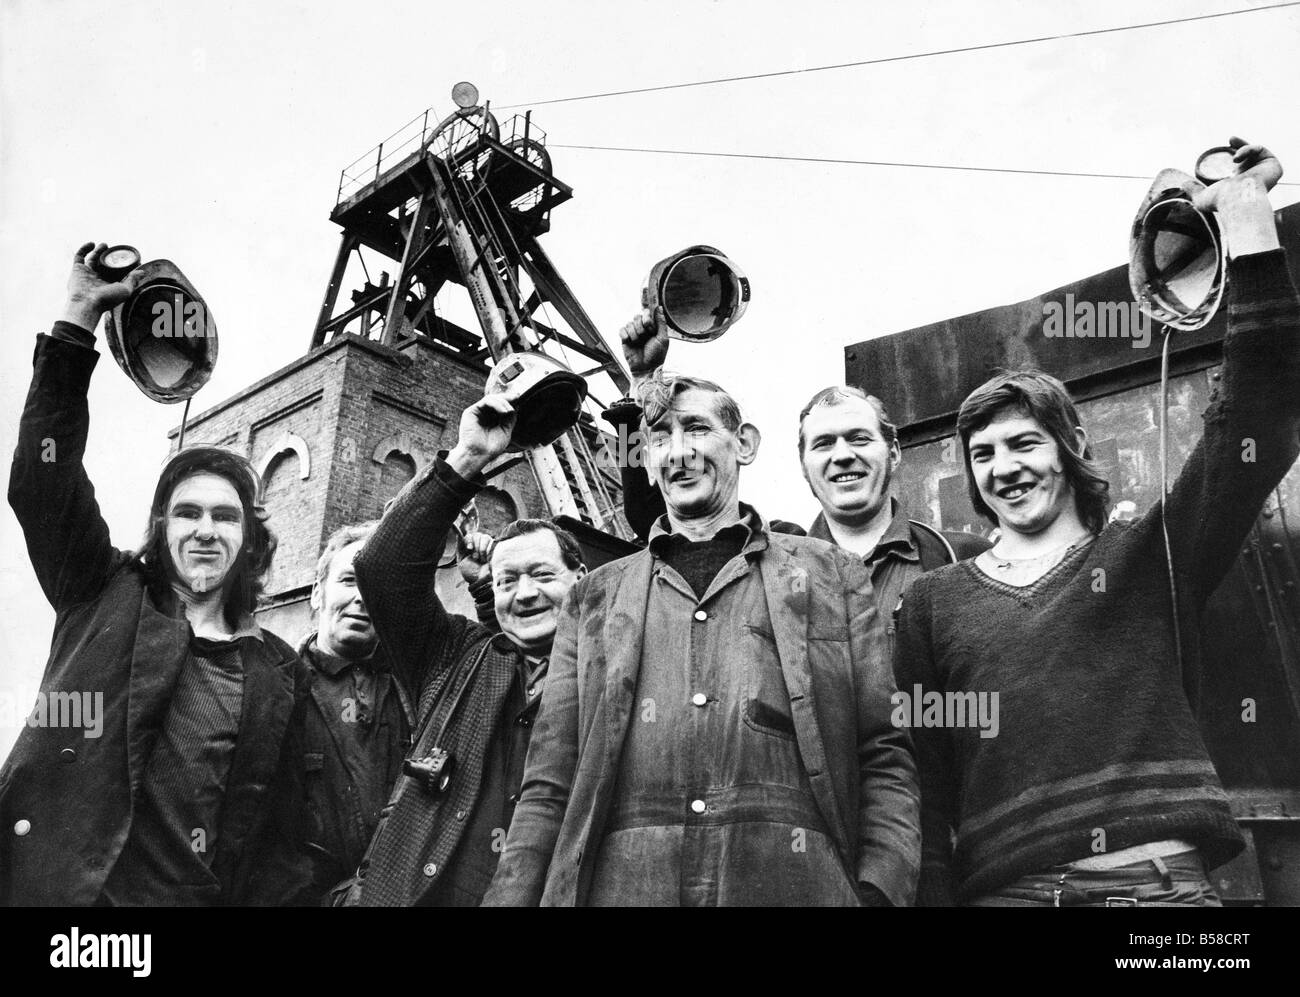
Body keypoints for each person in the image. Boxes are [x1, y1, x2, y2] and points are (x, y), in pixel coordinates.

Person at [893, 139, 1299, 906]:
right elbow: (929, 786)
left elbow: (1265, 412)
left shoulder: (1152, 555)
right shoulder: (933, 602)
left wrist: (1247, 219)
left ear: (1071, 447)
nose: (1003, 466)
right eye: (982, 454)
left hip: (1159, 895)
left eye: (1023, 442)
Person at [484, 325, 920, 906]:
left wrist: (878, 893)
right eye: (660, 436)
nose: (679, 451)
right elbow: (548, 785)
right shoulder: (595, 597)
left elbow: (883, 752)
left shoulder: (832, 575)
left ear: (744, 444)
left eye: (696, 428)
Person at [1, 242, 313, 905]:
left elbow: (281, 842)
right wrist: (78, 321)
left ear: (252, 537)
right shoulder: (101, 591)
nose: (204, 529)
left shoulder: (281, 673)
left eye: (225, 517)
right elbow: (41, 475)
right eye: (187, 512)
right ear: (162, 528)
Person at [340, 392, 587, 906]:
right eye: (506, 582)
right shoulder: (455, 654)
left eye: (542, 575)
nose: (524, 594)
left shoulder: (613, 670)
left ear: (579, 578)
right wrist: (469, 456)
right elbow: (382, 570)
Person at [798, 385, 989, 637]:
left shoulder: (970, 559)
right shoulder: (774, 575)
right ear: (803, 466)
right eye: (824, 443)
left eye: (859, 438)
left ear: (894, 453)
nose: (843, 455)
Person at [298, 521, 416, 903]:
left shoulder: (419, 689)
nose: (362, 598)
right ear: (318, 593)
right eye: (349, 581)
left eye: (374, 585)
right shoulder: (277, 688)